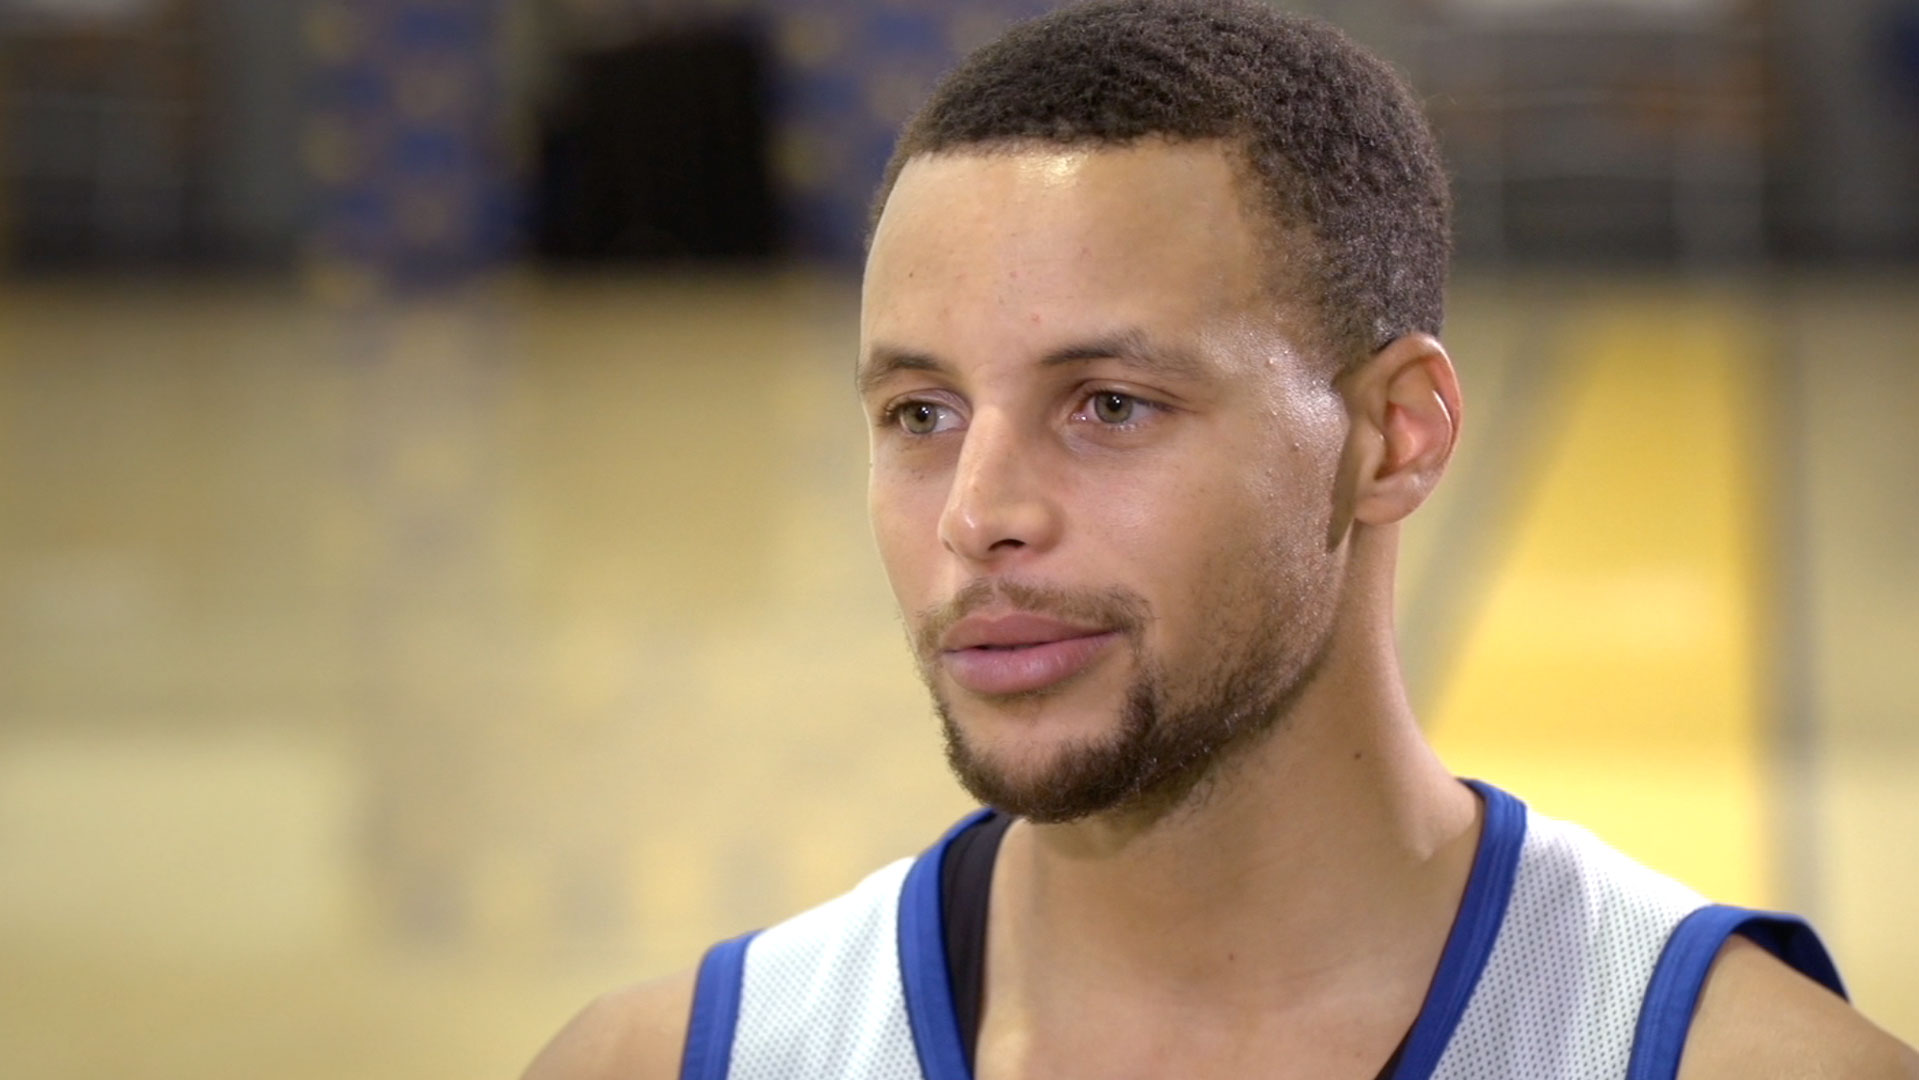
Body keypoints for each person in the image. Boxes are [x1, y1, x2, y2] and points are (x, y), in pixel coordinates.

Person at [525, 2, 1919, 1077]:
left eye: (1110, 405)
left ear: (1394, 437)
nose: (979, 515)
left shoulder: (1743, 1059)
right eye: (922, 413)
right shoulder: (666, 1060)